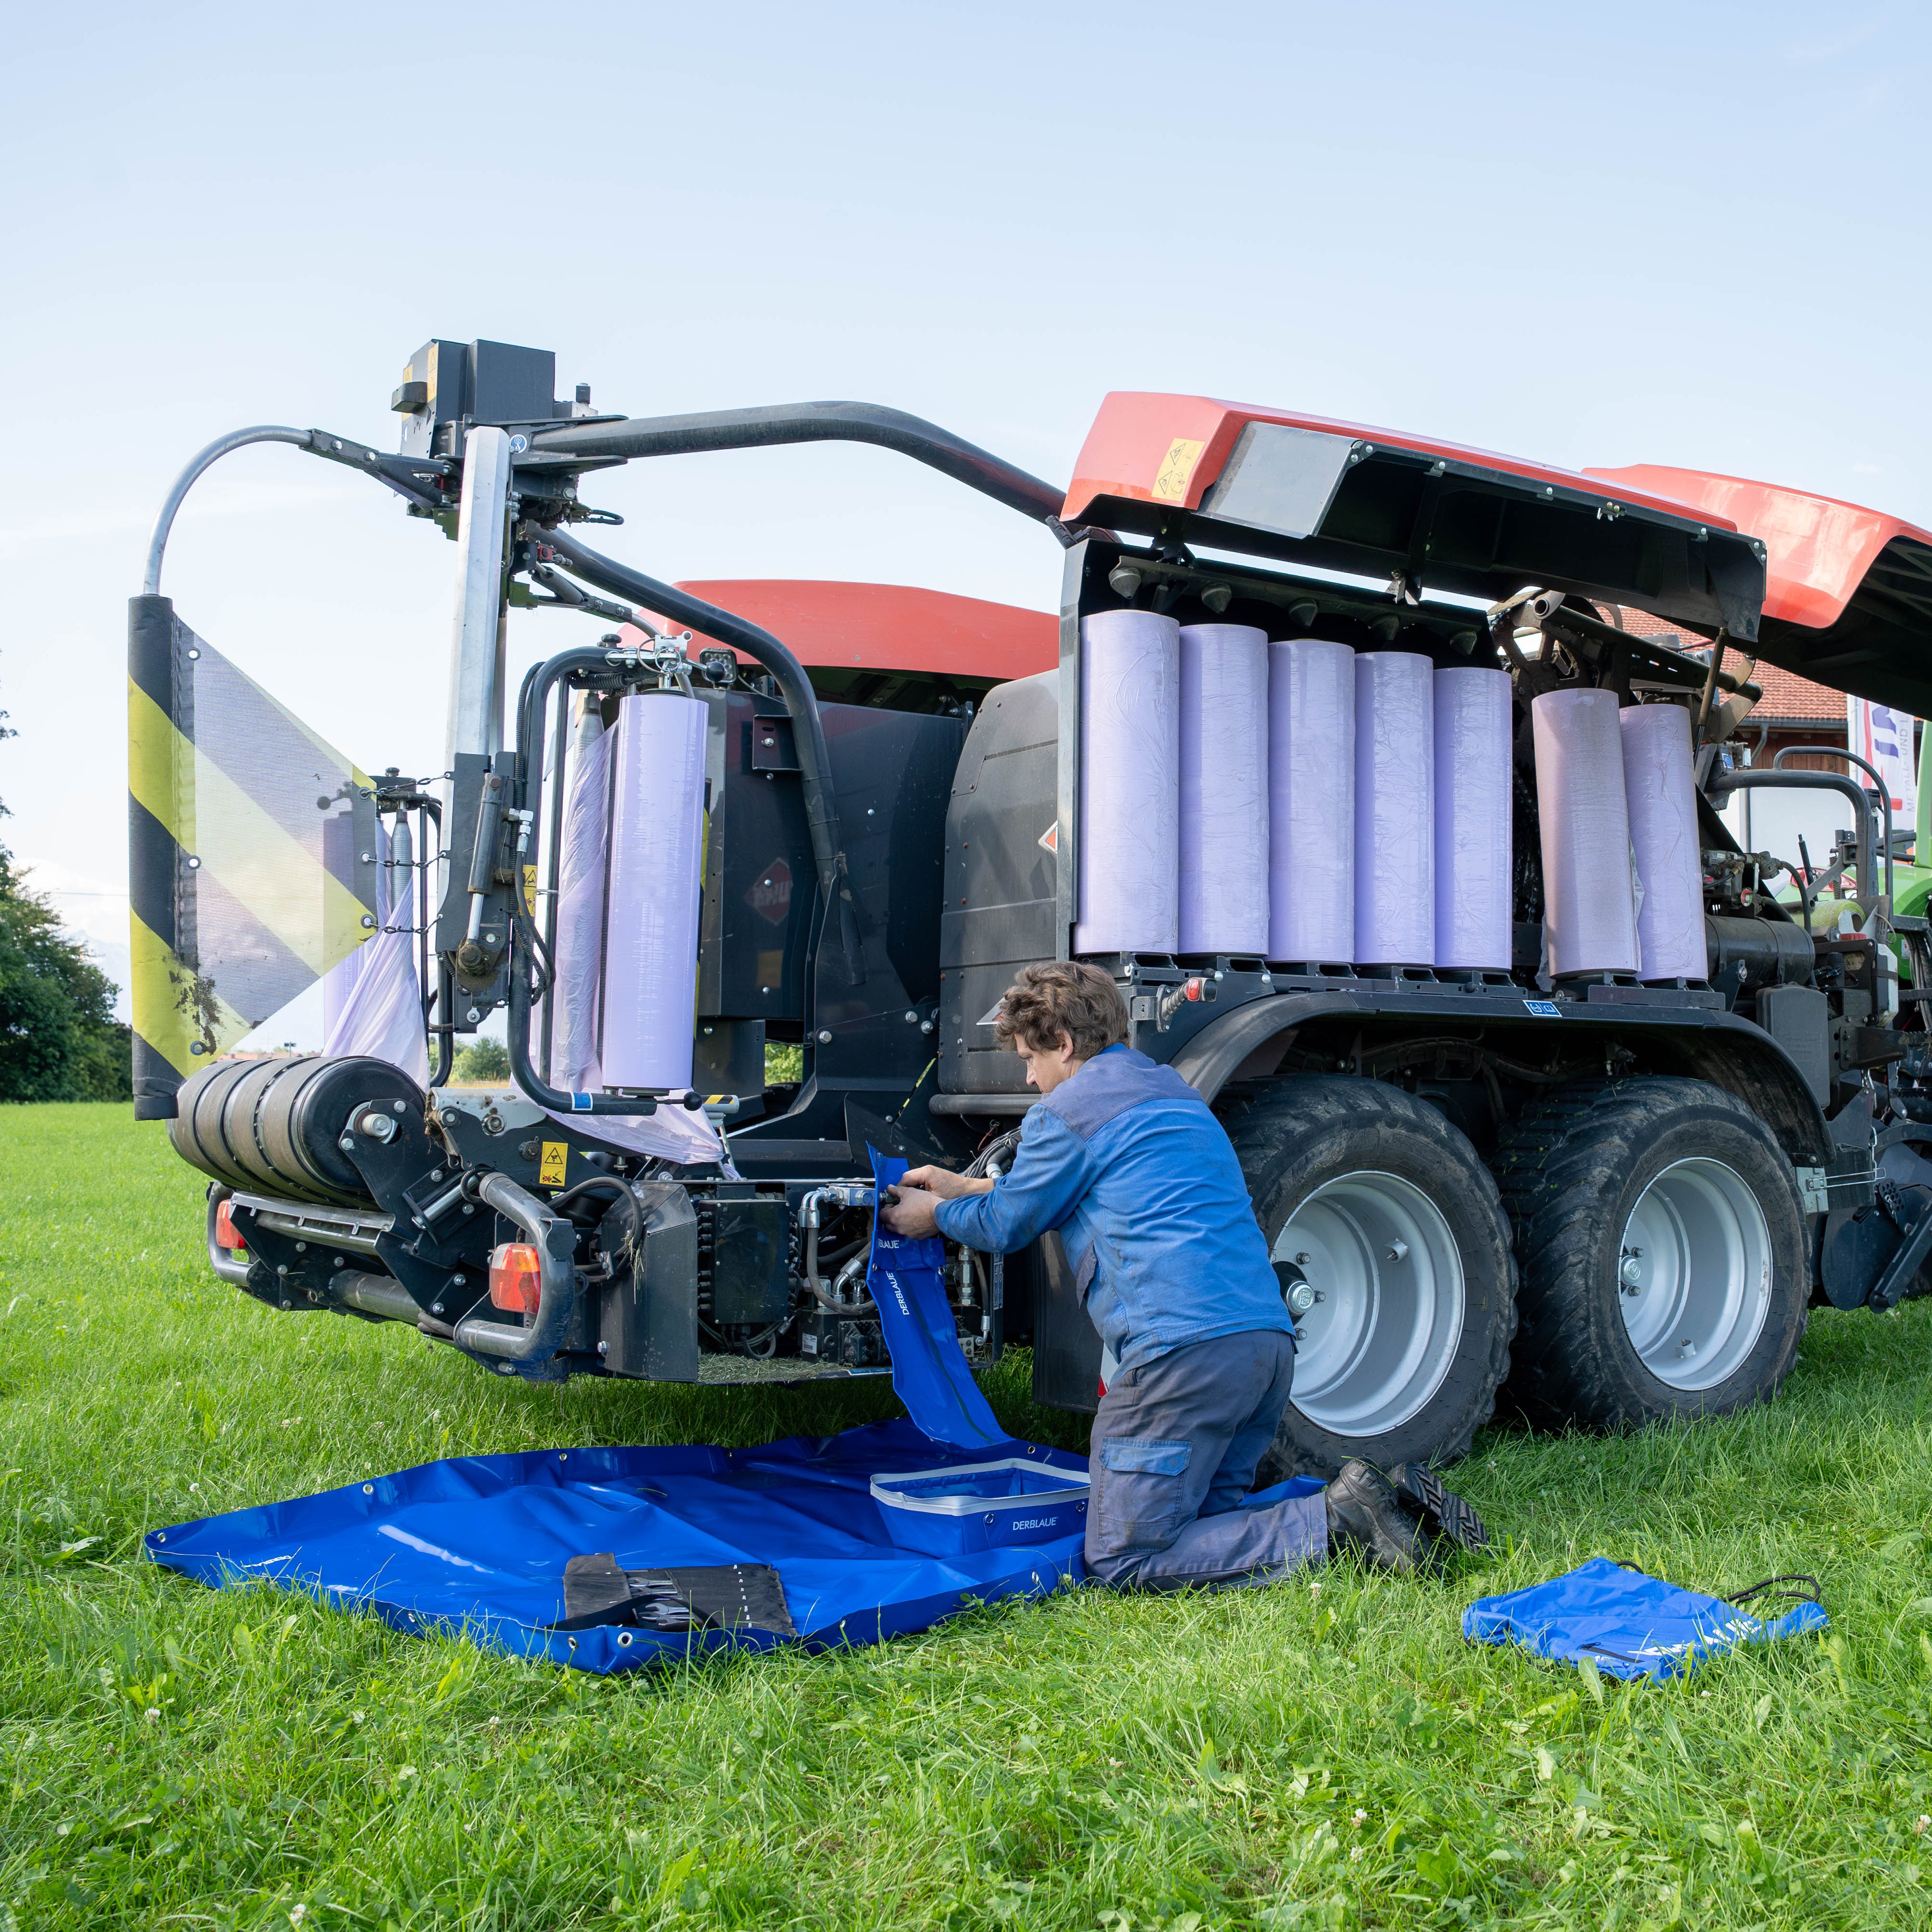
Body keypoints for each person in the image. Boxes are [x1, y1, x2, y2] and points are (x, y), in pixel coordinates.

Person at [880, 961, 1484, 1588]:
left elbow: (1008, 1225)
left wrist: (937, 1214)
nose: (1030, 1077)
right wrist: (967, 1186)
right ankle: (1387, 1508)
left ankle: (1334, 1522)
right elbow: (1079, 1182)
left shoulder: (1065, 1114)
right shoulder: (1172, 1094)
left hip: (1182, 1364)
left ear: (1063, 1045)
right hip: (1266, 1354)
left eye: (1032, 1059)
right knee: (1200, 1531)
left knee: (1124, 1558)